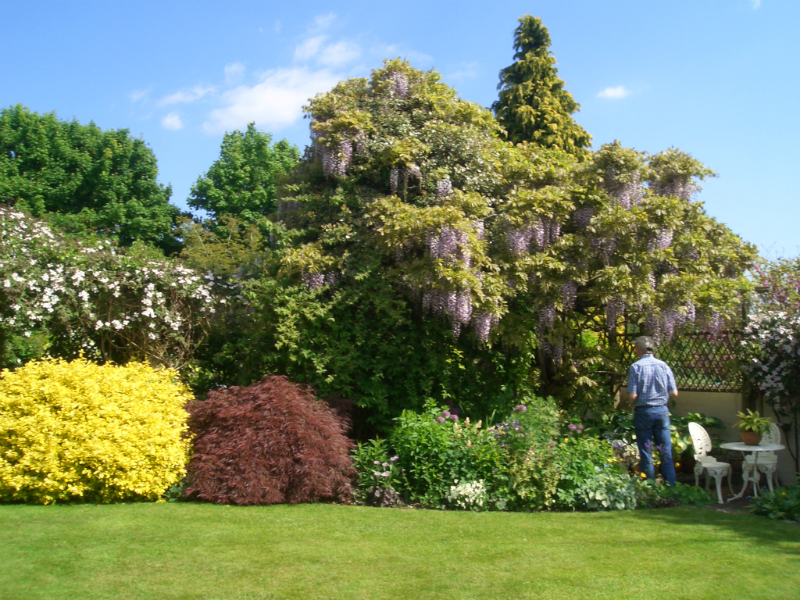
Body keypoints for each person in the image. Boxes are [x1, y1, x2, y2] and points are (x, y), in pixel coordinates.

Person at [627, 335, 678, 486]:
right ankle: (671, 488)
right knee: (665, 452)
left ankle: (650, 489)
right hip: (662, 411)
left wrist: (633, 399)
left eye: (635, 347)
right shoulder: (663, 365)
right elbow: (674, 393)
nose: (635, 350)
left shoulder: (636, 367)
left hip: (644, 412)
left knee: (646, 452)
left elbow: (632, 395)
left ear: (639, 349)